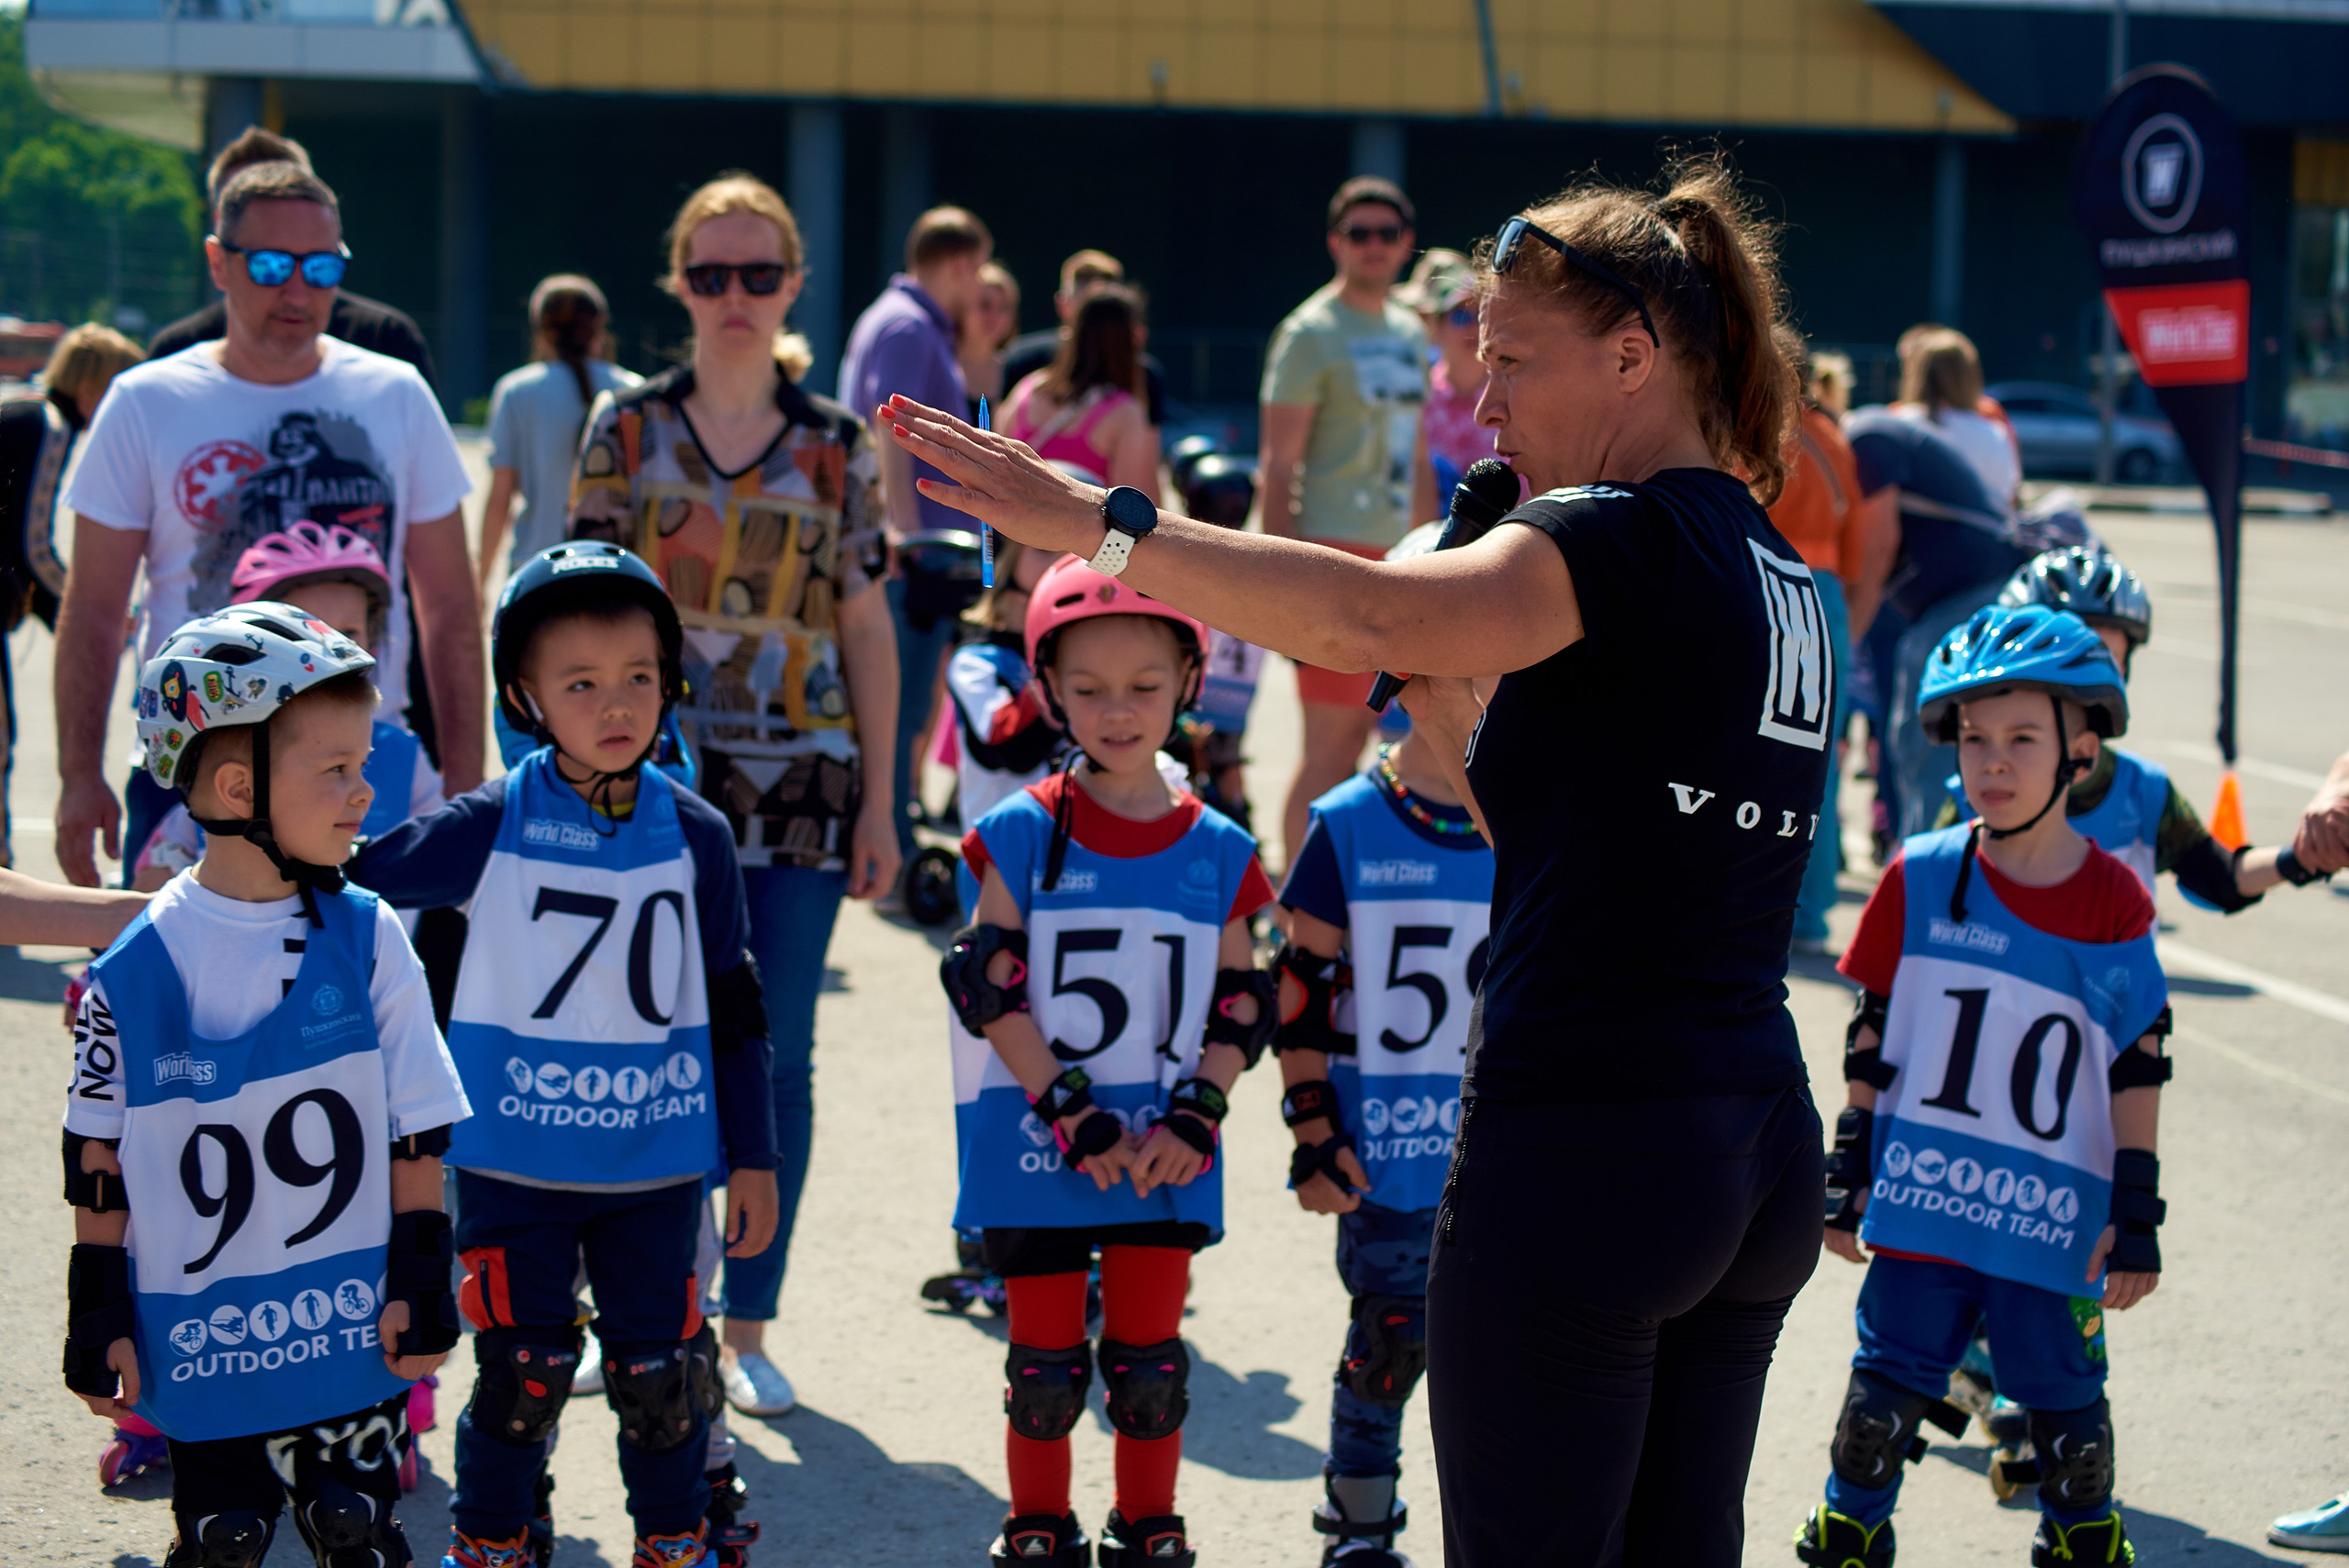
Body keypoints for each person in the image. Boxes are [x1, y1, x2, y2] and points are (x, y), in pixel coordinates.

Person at [885, 151, 1834, 1567]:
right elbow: (1599, 834)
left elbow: (1355, 607)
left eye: (1513, 360)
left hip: (1589, 1142)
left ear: (1635, 356)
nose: (1487, 401)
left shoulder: (1617, 532)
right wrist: (1454, 702)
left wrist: (1104, 527)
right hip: (1747, 1148)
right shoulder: (1778, 570)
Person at [346, 542, 780, 1568]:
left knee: (660, 1372)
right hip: (511, 1161)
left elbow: (736, 1001)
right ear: (523, 695)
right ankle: (494, 1540)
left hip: (655, 1164)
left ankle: (677, 1540)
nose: (616, 703)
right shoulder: (489, 821)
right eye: (579, 682)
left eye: (638, 675)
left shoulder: (699, 834)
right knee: (522, 1371)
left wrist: (752, 1155)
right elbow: (354, 882)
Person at [569, 172, 897, 1424]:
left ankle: (745, 1323)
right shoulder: (627, 433)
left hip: (803, 795)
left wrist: (881, 803)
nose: (736, 298)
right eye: (711, 275)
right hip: (641, 793)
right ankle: (641, 1312)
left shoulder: (836, 445)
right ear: (680, 285)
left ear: (795, 286)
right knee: (631, 1055)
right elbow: (572, 610)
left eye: (760, 275)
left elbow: (866, 624)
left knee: (777, 1062)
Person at [61, 601, 468, 1566]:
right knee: (223, 1542)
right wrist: (97, 1307)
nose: (364, 791)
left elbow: (417, 1128)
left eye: (363, 764)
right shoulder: (133, 966)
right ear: (238, 784)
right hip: (205, 1336)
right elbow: (96, 1156)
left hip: (341, 1325)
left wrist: (421, 1268)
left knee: (358, 1532)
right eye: (335, 769)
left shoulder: (370, 935)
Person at [1800, 603, 2171, 1568]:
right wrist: (1848, 1162)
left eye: (2020, 739)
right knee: (1876, 1409)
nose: (1992, 763)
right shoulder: (1918, 875)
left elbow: (2138, 1060)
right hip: (1926, 1204)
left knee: (2072, 1444)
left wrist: (2137, 1207)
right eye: (1973, 741)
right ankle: (1849, 1533)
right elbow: (1873, 1031)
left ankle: (2080, 1543)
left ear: (2079, 754)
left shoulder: (2112, 898)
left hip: (2050, 1214)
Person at [940, 553, 1275, 1568]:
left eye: (1142, 687)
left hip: (1165, 1150)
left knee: (1148, 1365)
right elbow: (986, 981)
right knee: (1043, 1368)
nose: (1116, 711)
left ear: (1188, 680)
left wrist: (1194, 1116)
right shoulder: (1018, 828)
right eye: (1086, 689)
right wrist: (1072, 1112)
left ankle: (1148, 1524)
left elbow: (1243, 998)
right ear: (1047, 690)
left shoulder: (1220, 846)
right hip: (1047, 1144)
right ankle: (1037, 1523)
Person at [52, 158, 484, 894]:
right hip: (192, 766)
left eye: (321, 267)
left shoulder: (395, 394)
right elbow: (93, 607)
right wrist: (76, 775)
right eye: (273, 264)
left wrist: (468, 789)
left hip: (365, 769)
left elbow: (448, 606)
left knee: (356, 1003)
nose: (298, 289)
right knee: (181, 1002)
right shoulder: (146, 401)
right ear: (219, 262)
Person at [1268, 522, 1493, 1568]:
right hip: (1392, 1155)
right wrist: (1313, 1127)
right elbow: (1299, 988)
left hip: (1515, 1156)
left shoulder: (1538, 819)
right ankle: (1359, 1528)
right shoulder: (1352, 819)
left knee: (1518, 1365)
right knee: (1388, 1346)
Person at [1932, 546, 2339, 907]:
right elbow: (1923, 904)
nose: (2077, 672)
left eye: (2101, 654)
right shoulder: (1980, 788)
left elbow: (2220, 877)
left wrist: (2300, 859)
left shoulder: (2141, 790)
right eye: (2058, 652)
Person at [1256, 174, 1438, 865]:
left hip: (1401, 561)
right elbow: (1278, 467)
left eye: (1385, 234)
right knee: (1331, 746)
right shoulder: (1310, 333)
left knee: (1389, 750)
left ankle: (1338, 902)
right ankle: (1295, 914)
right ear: (1335, 241)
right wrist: (1278, 584)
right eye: (1358, 233)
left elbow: (1420, 459)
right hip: (1331, 557)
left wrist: (1434, 561)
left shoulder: (1404, 330)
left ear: (1406, 245)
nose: (1372, 246)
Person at [131, 524, 444, 893]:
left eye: (348, 633)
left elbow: (445, 853)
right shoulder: (233, 748)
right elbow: (158, 868)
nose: (326, 647)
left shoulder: (405, 758)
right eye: (306, 631)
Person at [838, 204, 990, 876]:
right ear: (957, 264)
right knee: (899, 715)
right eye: (977, 272)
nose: (977, 288)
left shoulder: (904, 321)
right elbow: (891, 430)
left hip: (912, 548)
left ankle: (891, 839)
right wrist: (903, 530)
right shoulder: (908, 326)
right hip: (912, 556)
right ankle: (891, 848)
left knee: (902, 713)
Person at [1843, 400, 2029, 840]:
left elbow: (1880, 543)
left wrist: (1848, 635)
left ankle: (1924, 864)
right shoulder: (1878, 432)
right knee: (1927, 740)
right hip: (1970, 593)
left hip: (1967, 596)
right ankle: (1930, 855)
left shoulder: (1867, 439)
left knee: (1923, 738)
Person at [1768, 328, 1895, 953]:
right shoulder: (1834, 438)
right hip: (1826, 603)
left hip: (1773, 593)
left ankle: (1790, 910)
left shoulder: (1763, 434)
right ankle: (1811, 910)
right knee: (1817, 757)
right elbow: (1862, 546)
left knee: (1762, 756)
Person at [0, 323, 141, 861]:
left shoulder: (23, 409)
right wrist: (81, 618)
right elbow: (34, 544)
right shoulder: (49, 425)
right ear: (96, 386)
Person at [147, 127, 438, 384]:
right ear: (219, 247)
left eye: (287, 193)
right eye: (241, 200)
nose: (296, 294)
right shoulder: (174, 357)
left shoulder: (384, 341)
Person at [478, 274, 641, 592]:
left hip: (536, 569)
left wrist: (480, 580)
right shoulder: (634, 391)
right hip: (616, 570)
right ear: (599, 331)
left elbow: (500, 499)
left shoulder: (516, 392)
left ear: (540, 333)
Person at [1001, 285, 1160, 497]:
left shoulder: (1028, 389)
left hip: (1014, 526)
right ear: (1134, 337)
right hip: (1078, 529)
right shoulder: (1125, 412)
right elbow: (1135, 511)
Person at [1001, 250, 1172, 431]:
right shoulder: (1024, 363)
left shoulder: (1143, 373)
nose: (1094, 323)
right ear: (1062, 304)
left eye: (1104, 312)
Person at [1396, 249, 1490, 513]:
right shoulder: (1414, 396)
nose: (1474, 328)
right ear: (1434, 327)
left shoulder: (1513, 396)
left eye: (1481, 315)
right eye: (1460, 316)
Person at [1895, 328, 2018, 510]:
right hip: (1975, 534)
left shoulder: (1894, 424)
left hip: (1910, 535)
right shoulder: (1993, 433)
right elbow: (2007, 499)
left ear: (1917, 374)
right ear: (1970, 377)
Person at [960, 261, 1020, 412]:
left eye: (1004, 307)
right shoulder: (943, 365)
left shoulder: (1018, 371)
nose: (995, 316)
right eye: (985, 305)